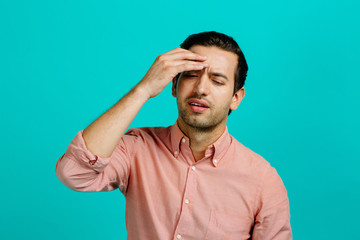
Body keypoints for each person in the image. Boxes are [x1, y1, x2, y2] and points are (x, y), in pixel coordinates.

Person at [55, 31, 292, 240]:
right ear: (173, 85)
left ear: (236, 98)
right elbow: (74, 173)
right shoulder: (138, 148)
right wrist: (144, 89)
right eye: (190, 75)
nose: (201, 88)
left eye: (217, 81)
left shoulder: (263, 181)